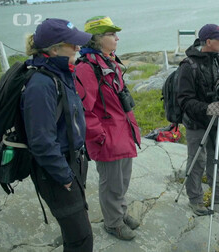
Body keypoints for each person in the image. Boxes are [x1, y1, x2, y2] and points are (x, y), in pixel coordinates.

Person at [22, 18, 93, 251]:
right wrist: (65, 177)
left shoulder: (61, 72)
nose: (78, 47)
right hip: (56, 170)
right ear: (54, 49)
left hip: (71, 162)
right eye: (72, 44)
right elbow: (41, 142)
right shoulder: (41, 84)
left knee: (74, 232)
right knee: (81, 239)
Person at [74, 16, 141, 241]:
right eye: (112, 35)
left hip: (122, 132)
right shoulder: (87, 68)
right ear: (98, 38)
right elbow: (83, 110)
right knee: (111, 183)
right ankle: (112, 223)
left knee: (122, 180)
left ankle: (119, 213)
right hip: (107, 136)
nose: (117, 38)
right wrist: (100, 136)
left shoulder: (108, 61)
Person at [177, 24, 219, 216]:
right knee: (197, 160)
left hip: (218, 118)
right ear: (208, 41)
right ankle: (195, 199)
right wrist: (207, 108)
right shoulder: (188, 66)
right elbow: (184, 100)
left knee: (218, 156)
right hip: (197, 122)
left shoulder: (217, 60)